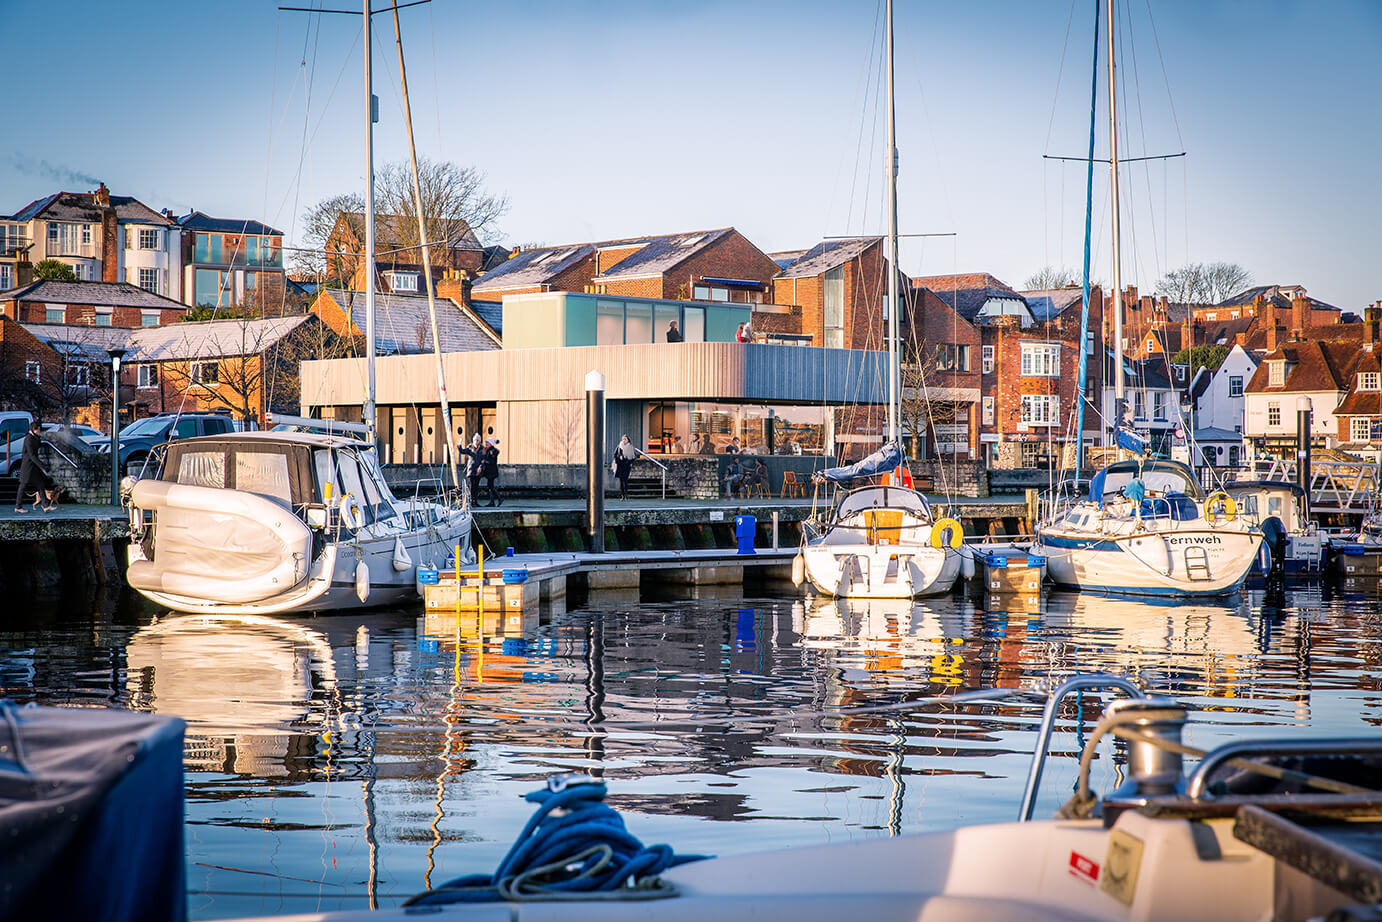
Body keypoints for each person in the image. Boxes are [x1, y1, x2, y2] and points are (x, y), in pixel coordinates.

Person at [14, 420, 57, 513]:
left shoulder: (35, 437)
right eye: (38, 430)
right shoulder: (28, 439)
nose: (39, 431)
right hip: (28, 466)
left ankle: (45, 506)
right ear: (34, 429)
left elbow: (38, 447)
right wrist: (43, 466)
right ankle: (18, 506)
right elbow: (31, 455)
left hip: (33, 466)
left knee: (40, 485)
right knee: (23, 486)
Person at [459, 433, 484, 504]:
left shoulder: (482, 449)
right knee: (471, 486)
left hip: (478, 470)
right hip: (471, 469)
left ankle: (475, 501)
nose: (477, 442)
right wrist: (459, 444)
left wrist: (481, 466)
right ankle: (471, 501)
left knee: (476, 487)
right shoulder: (470, 447)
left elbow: (484, 459)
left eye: (478, 440)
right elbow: (462, 451)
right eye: (475, 440)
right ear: (473, 441)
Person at [611, 434, 638, 500]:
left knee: (625, 480)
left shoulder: (631, 447)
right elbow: (615, 454)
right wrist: (618, 458)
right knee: (621, 481)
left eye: (625, 439)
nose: (624, 440)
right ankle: (622, 495)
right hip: (620, 465)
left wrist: (629, 462)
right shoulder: (619, 446)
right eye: (623, 439)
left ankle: (626, 495)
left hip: (627, 465)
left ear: (628, 440)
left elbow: (634, 457)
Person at [481, 438, 503, 507]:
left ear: (491, 444)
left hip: (492, 471)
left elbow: (492, 461)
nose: (486, 444)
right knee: (490, 486)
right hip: (489, 471)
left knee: (490, 486)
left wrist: (485, 461)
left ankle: (498, 499)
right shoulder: (488, 450)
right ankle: (493, 501)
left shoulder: (492, 451)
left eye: (487, 443)